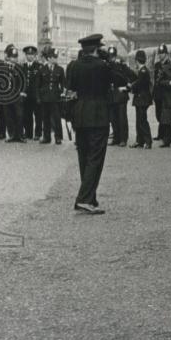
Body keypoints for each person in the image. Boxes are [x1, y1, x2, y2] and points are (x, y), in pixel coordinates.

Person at [65, 33, 114, 214]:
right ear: (96, 49)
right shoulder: (103, 66)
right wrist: (108, 61)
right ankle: (84, 199)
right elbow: (116, 81)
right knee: (95, 158)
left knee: (84, 158)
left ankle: (90, 198)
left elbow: (70, 89)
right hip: (98, 115)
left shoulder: (73, 66)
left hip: (80, 115)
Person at [36, 46, 66, 145]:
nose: (56, 59)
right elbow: (38, 85)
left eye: (56, 57)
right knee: (45, 118)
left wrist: (62, 93)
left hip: (55, 98)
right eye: (54, 57)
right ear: (49, 58)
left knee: (57, 118)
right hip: (45, 98)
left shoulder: (60, 69)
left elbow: (63, 83)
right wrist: (39, 97)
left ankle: (58, 137)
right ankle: (46, 137)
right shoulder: (42, 69)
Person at [129, 50, 153, 149]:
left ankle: (148, 141)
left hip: (142, 99)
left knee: (142, 121)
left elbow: (139, 83)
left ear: (137, 61)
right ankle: (140, 140)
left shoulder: (143, 71)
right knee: (139, 121)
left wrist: (131, 86)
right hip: (141, 99)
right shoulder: (143, 70)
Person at [20, 45, 44, 141]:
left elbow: (42, 82)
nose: (30, 56)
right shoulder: (22, 67)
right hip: (26, 95)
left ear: (35, 56)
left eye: (32, 55)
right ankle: (28, 133)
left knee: (38, 115)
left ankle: (38, 134)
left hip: (36, 95)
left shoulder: (39, 66)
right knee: (27, 115)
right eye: (28, 54)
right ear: (25, 55)